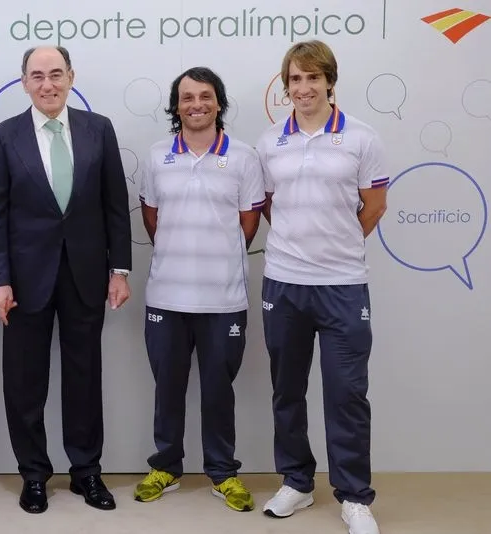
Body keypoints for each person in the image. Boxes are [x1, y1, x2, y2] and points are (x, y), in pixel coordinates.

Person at [0, 46, 132, 514]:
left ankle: (86, 471)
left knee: (84, 378)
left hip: (85, 274)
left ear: (71, 77)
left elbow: (114, 205)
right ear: (24, 82)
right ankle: (34, 474)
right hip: (24, 282)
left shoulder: (98, 129)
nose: (48, 84)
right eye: (37, 75)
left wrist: (119, 269)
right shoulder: (4, 137)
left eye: (56, 74)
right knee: (24, 380)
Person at [255, 40, 387, 534]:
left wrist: (334, 244)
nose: (304, 88)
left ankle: (354, 496)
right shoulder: (270, 142)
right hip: (284, 284)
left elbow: (373, 208)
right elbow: (270, 205)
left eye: (313, 78)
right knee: (286, 390)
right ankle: (298, 483)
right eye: (295, 80)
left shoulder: (361, 137)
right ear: (286, 86)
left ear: (330, 81)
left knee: (347, 394)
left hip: (343, 287)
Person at [135, 67, 264, 512]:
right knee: (167, 387)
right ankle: (166, 466)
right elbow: (152, 217)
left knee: (218, 389)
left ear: (218, 102)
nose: (196, 104)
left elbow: (247, 224)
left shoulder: (245, 158)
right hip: (166, 299)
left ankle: (223, 471)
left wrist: (218, 255)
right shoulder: (156, 157)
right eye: (187, 97)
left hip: (223, 300)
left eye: (205, 96)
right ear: (176, 105)